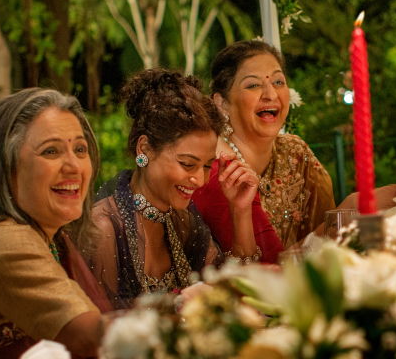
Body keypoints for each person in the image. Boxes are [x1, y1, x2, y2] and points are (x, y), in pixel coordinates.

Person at [86, 69, 272, 310]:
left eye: (206, 166)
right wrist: (176, 304)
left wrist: (240, 211)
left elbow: (237, 294)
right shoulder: (104, 229)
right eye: (187, 164)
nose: (200, 180)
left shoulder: (183, 221)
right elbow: (100, 332)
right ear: (145, 149)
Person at [0, 89, 104, 359]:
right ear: (5, 167)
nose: (73, 167)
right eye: (51, 151)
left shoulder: (53, 238)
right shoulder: (3, 241)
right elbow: (87, 335)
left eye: (80, 150)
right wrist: (189, 316)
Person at [198, 40, 336, 248]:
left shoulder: (296, 153)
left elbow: (331, 247)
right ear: (222, 103)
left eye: (278, 82)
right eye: (253, 85)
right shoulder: (211, 168)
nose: (271, 95)